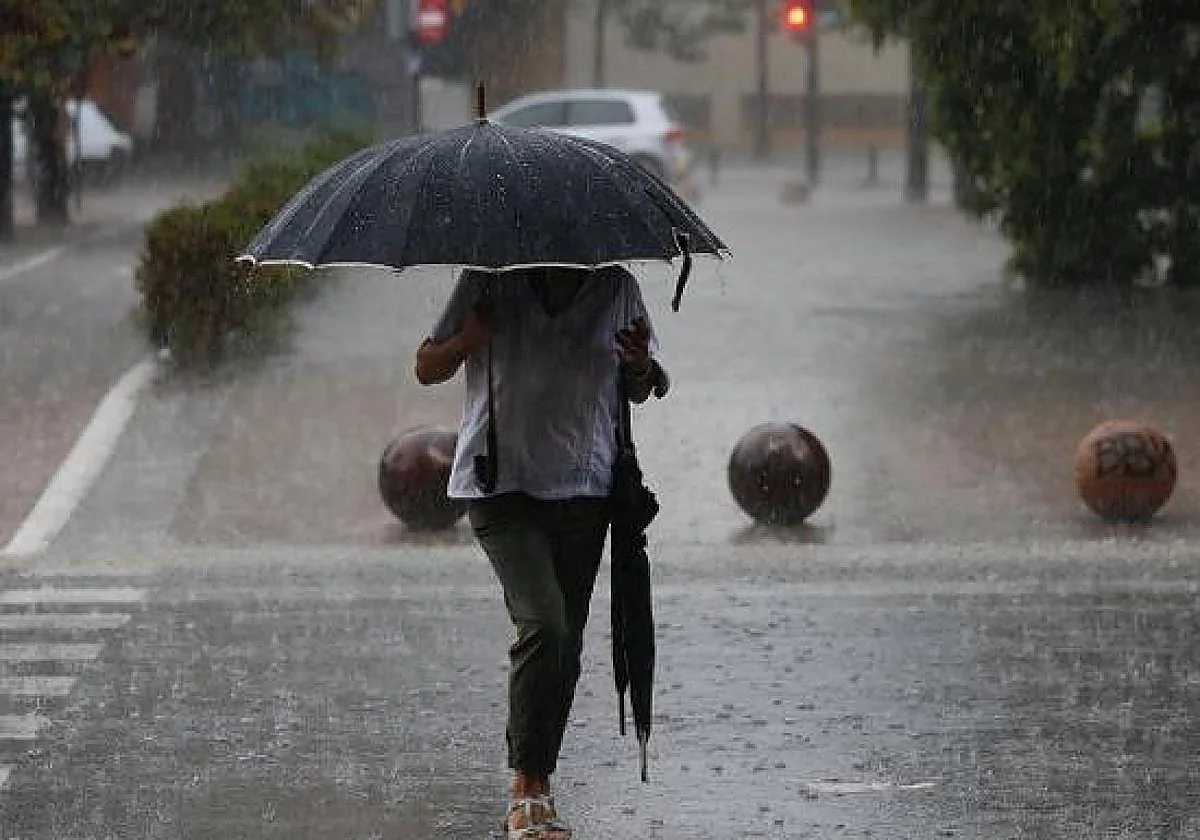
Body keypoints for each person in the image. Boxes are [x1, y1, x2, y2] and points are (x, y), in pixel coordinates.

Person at [414, 265, 666, 840]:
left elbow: (642, 385)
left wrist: (640, 366)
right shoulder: (488, 279)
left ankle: (539, 784)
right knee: (546, 625)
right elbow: (427, 366)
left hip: (585, 487)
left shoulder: (617, 286)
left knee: (566, 645)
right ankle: (525, 788)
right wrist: (470, 338)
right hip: (500, 487)